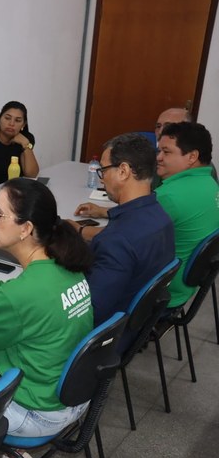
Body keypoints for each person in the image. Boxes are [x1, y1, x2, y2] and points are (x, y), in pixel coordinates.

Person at [0, 178, 93, 438]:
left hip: (37, 411)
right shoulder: (64, 267)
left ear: (25, 228)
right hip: (74, 395)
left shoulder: (22, 295)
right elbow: (9, 294)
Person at [72, 134, 174, 328]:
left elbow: (88, 313)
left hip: (107, 334)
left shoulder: (117, 240)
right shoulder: (161, 217)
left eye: (103, 171)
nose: (102, 180)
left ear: (123, 171)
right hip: (135, 323)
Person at [152, 122, 219, 308]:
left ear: (192, 157)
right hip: (186, 286)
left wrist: (80, 229)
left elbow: (128, 236)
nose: (158, 157)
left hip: (161, 294)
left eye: (166, 152)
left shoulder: (169, 196)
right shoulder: (210, 184)